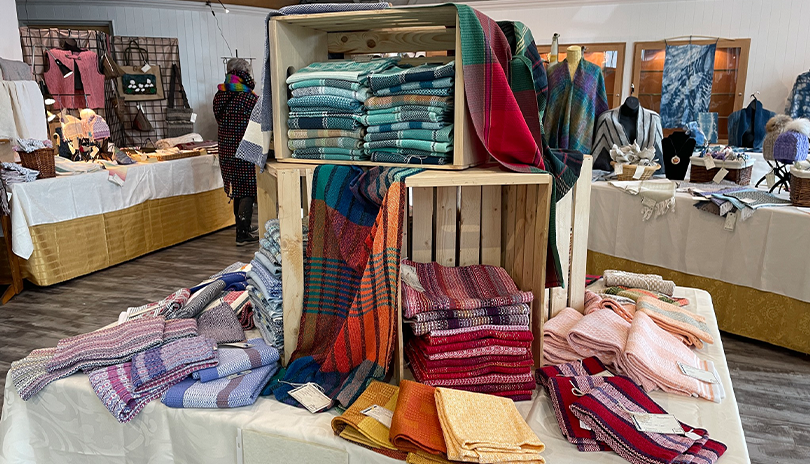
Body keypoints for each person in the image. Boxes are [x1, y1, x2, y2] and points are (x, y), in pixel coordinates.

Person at [213, 58, 259, 245]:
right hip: (244, 145)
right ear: (244, 73)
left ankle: (243, 226)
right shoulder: (248, 97)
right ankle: (242, 233)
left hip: (226, 146)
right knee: (247, 187)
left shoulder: (220, 95)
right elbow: (257, 122)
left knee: (237, 187)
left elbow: (218, 118)